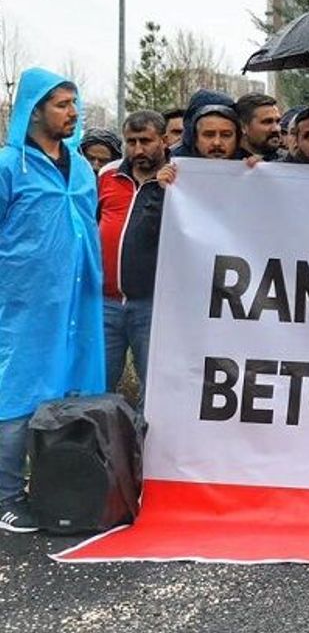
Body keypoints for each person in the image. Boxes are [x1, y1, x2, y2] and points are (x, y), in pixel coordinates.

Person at [0, 69, 105, 533]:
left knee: (72, 394)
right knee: (17, 396)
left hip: (79, 301)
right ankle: (6, 496)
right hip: (25, 305)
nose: (73, 112)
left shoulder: (81, 167)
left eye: (74, 103)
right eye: (62, 104)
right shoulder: (9, 166)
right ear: (34, 110)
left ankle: (58, 491)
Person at [97, 110, 171, 408]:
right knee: (96, 387)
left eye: (146, 141)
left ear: (164, 141)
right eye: (131, 142)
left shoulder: (179, 179)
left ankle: (145, 438)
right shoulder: (108, 176)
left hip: (152, 305)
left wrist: (165, 191)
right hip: (105, 303)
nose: (138, 149)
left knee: (154, 390)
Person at [169, 89, 235, 158]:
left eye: (226, 135)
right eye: (209, 135)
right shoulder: (172, 159)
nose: (217, 143)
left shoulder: (242, 159)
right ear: (193, 137)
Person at [235, 93, 285, 162]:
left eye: (278, 121)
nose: (276, 129)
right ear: (243, 127)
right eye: (267, 122)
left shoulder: (289, 162)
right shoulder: (226, 160)